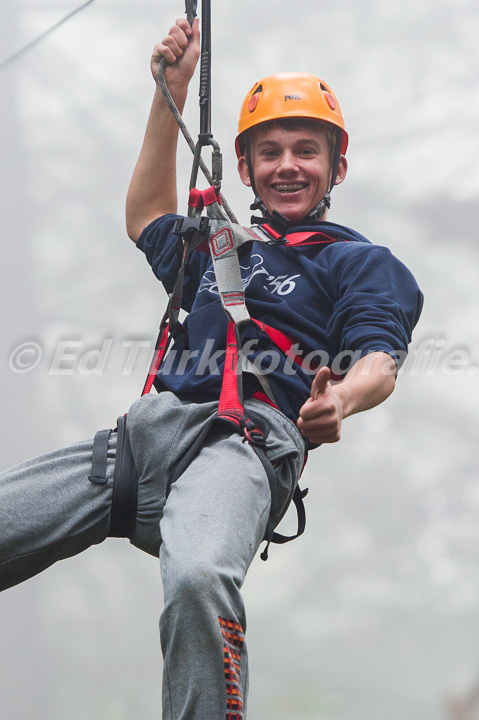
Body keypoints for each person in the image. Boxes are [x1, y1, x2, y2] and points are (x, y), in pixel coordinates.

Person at [0, 16, 423, 720]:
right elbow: (146, 217)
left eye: (306, 151)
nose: (287, 164)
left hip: (247, 443)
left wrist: (341, 402)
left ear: (335, 168)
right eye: (269, 152)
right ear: (246, 165)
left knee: (198, 576)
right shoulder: (219, 244)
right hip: (150, 432)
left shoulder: (357, 262)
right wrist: (170, 89)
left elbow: (379, 358)